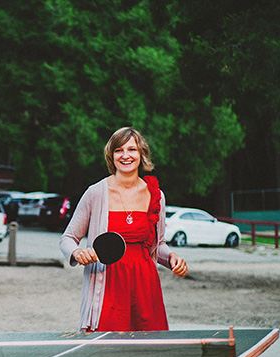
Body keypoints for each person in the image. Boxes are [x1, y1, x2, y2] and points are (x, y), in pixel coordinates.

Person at [60, 127, 188, 332]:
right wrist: (77, 253)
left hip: (145, 285)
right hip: (107, 282)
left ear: (142, 154)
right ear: (111, 155)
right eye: (119, 150)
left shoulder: (156, 195)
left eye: (132, 149)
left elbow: (158, 244)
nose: (125, 155)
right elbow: (68, 238)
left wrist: (171, 257)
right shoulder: (95, 193)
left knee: (148, 346)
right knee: (106, 346)